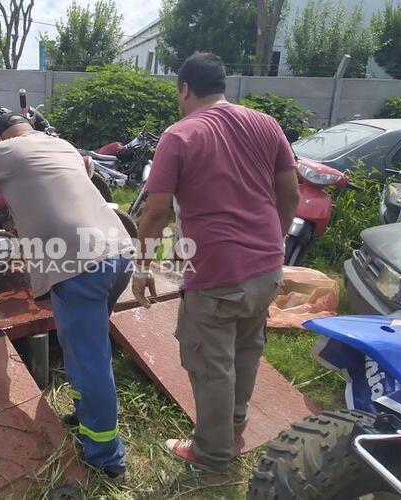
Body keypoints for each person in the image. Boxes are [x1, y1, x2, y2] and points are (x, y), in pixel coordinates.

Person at [0, 113, 135, 478]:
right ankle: (87, 416)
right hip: (118, 251)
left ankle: (106, 458)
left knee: (90, 357)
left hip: (79, 265)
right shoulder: (63, 145)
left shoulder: (1, 151)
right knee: (82, 345)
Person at [132, 52, 300, 472]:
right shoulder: (267, 124)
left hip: (216, 274)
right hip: (267, 268)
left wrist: (142, 267)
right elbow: (291, 195)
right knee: (247, 347)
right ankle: (236, 419)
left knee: (211, 363)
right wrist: (272, 244)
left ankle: (211, 453)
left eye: (178, 92)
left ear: (185, 88)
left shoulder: (180, 135)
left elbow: (154, 213)